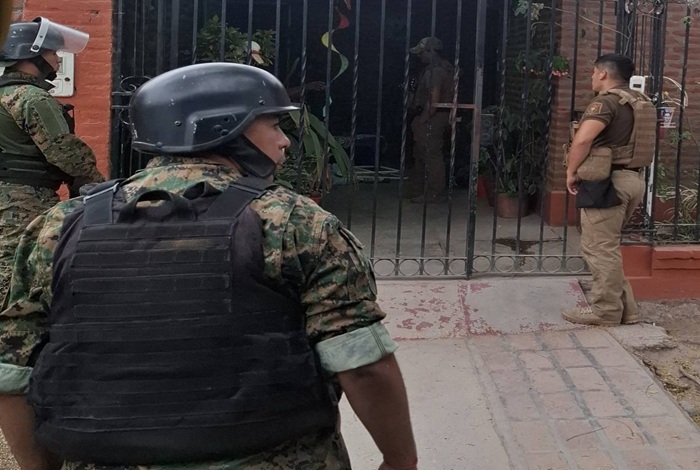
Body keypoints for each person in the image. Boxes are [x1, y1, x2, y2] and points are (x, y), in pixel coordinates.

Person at [0, 62, 417, 470]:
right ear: (223, 129)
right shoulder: (295, 223)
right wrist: (401, 460)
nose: (284, 141)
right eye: (273, 125)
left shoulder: (59, 227)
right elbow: (363, 367)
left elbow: (12, 373)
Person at [0, 17, 104, 302]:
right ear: (32, 54)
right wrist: (97, 187)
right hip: (23, 200)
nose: (58, 60)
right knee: (17, 269)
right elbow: (64, 151)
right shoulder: (32, 98)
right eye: (53, 53)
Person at [562, 53, 656, 326]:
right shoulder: (640, 101)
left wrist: (570, 171)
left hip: (608, 183)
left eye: (593, 72)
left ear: (603, 73)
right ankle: (627, 309)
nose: (592, 77)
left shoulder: (606, 102)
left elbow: (583, 140)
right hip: (633, 180)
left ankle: (605, 311)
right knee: (608, 247)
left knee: (599, 248)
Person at [405, 37, 455, 204]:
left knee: (431, 154)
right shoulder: (445, 68)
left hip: (433, 116)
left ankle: (433, 192)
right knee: (421, 153)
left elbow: (434, 99)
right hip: (436, 115)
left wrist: (423, 119)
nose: (420, 57)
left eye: (422, 53)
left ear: (431, 51)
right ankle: (419, 188)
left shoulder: (436, 71)